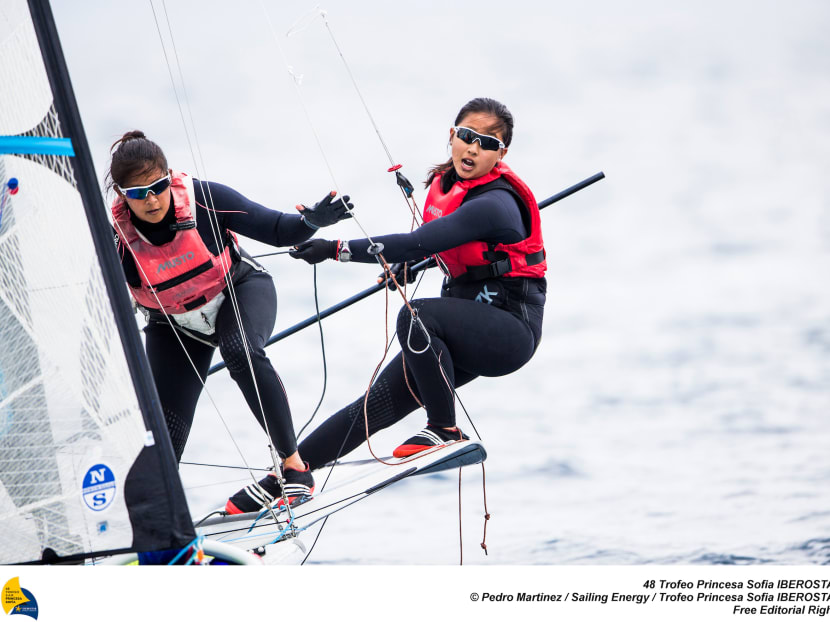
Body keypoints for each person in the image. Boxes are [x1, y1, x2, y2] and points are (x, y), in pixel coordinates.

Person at [289, 97, 546, 467]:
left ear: (500, 154)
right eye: (468, 136)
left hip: (509, 331)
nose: (474, 148)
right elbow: (445, 248)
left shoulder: (496, 204)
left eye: (488, 143)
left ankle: (443, 428)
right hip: (467, 326)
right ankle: (287, 478)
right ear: (452, 135)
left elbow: (412, 242)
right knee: (373, 405)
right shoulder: (448, 186)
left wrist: (335, 249)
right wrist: (417, 264)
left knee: (417, 316)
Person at [107, 130, 353, 514]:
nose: (151, 199)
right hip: (173, 326)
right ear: (123, 196)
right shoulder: (115, 238)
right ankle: (157, 524)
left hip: (238, 290)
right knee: (163, 433)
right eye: (138, 193)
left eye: (157, 187)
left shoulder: (204, 198)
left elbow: (277, 229)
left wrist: (312, 223)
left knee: (239, 350)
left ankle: (294, 468)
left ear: (169, 177)